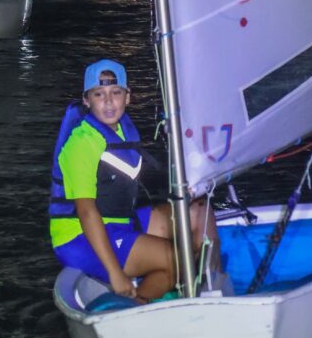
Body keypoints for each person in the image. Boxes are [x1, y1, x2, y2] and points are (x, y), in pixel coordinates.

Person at [50, 59, 220, 303]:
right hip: (79, 237)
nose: (109, 102)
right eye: (99, 94)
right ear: (86, 101)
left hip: (119, 221)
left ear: (127, 97)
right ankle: (136, 306)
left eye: (116, 93)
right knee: (179, 260)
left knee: (199, 212)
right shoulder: (82, 143)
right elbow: (86, 212)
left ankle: (211, 288)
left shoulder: (122, 131)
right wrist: (115, 273)